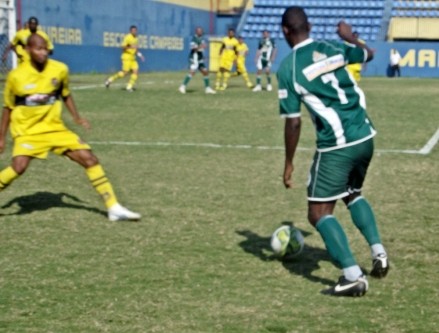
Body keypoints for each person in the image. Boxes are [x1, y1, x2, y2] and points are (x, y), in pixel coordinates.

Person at [278, 6, 389, 297]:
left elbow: (293, 122)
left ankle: (352, 276)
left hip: (337, 145)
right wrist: (351, 36)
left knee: (318, 212)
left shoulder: (288, 68)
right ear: (310, 26)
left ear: (285, 31)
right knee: (352, 192)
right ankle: (379, 253)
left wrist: (288, 163)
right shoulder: (335, 47)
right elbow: (369, 54)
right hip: (365, 135)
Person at [0, 34, 141, 222]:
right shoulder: (16, 76)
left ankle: (113, 207)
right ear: (28, 50)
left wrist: (76, 117)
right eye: (38, 49)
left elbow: (65, 94)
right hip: (28, 131)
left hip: (56, 129)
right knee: (18, 167)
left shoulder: (59, 69)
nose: (43, 53)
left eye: (45, 49)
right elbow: (8, 108)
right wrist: (1, 137)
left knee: (89, 158)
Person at [105, 25, 145, 92]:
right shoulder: (128, 37)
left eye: (135, 30)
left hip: (133, 58)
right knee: (124, 73)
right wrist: (130, 47)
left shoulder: (136, 38)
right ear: (130, 31)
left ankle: (129, 87)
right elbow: (123, 47)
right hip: (126, 57)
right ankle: (110, 79)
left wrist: (140, 55)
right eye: (133, 30)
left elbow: (136, 49)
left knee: (136, 71)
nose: (135, 32)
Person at [178, 27, 216, 94]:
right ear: (196, 32)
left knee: (205, 72)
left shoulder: (201, 39)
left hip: (199, 58)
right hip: (194, 58)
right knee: (192, 72)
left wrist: (203, 56)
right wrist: (202, 46)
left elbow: (201, 49)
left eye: (201, 31)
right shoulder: (194, 39)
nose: (201, 32)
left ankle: (207, 88)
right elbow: (194, 49)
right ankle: (182, 86)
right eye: (200, 31)